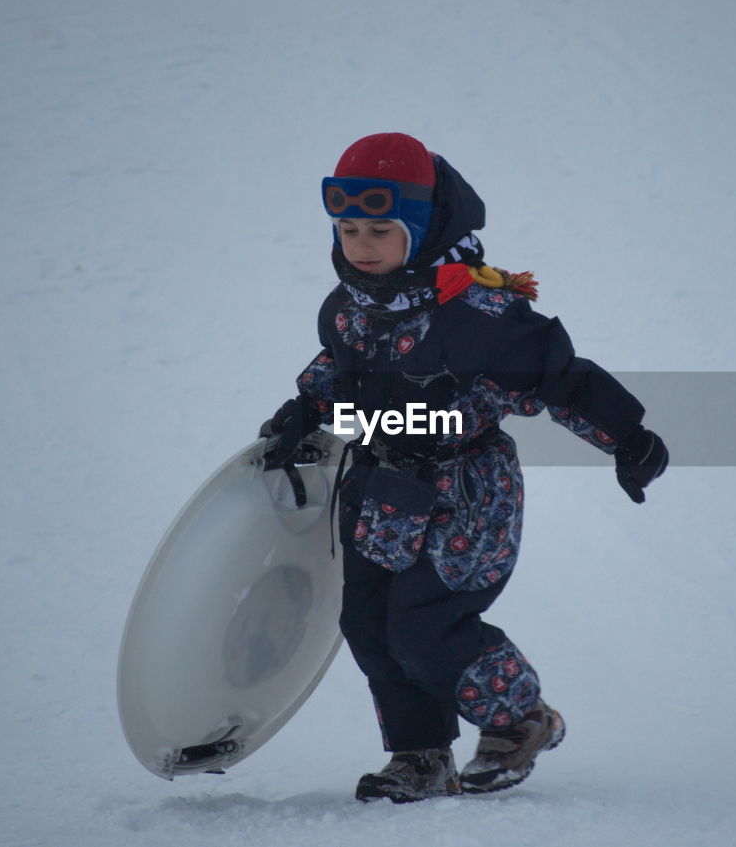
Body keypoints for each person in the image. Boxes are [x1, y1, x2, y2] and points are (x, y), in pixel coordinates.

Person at [260, 132, 668, 803]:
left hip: (465, 497)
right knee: (367, 623)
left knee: (426, 628)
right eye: (349, 228)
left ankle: (520, 719)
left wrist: (627, 436)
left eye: (380, 229)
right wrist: (303, 411)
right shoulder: (349, 310)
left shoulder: (481, 315)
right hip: (377, 491)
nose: (361, 244)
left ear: (420, 230)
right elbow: (339, 371)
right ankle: (420, 756)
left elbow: (559, 376)